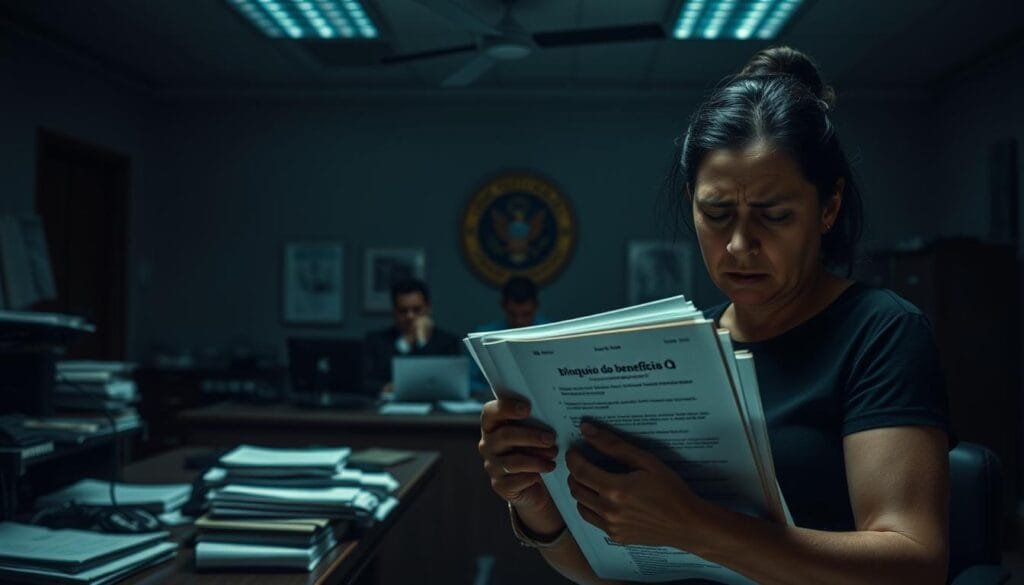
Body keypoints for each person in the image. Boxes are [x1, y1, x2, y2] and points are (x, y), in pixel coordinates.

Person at [477, 46, 953, 584]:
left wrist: (695, 526)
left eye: (774, 216)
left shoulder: (880, 332)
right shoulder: (677, 344)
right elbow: (605, 572)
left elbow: (915, 566)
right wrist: (534, 499)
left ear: (828, 207)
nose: (739, 245)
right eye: (716, 213)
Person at [363, 278, 460, 398]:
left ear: (428, 308)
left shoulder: (448, 342)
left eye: (417, 310)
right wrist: (406, 342)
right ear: (394, 311)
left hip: (437, 411)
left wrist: (422, 340)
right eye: (403, 311)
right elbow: (365, 383)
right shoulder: (376, 341)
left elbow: (454, 384)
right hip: (389, 411)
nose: (410, 316)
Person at [469, 276, 549, 394]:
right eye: (513, 314)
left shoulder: (551, 333)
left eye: (526, 314)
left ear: (536, 306)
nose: (519, 321)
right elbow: (469, 381)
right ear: (503, 306)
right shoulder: (484, 336)